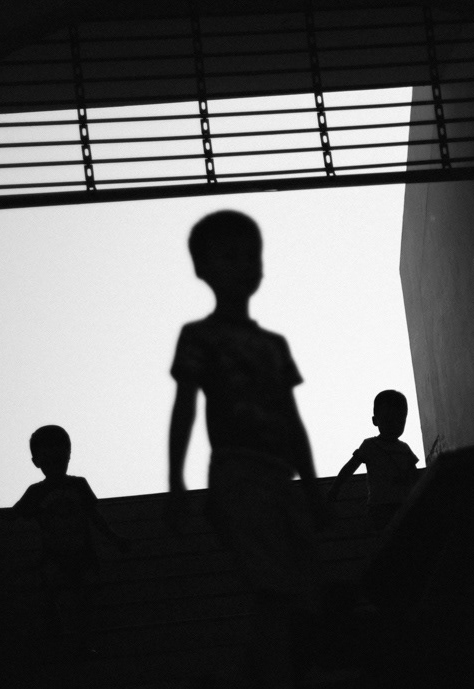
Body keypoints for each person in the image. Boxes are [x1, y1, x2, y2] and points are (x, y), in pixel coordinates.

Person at [165, 210, 327, 688]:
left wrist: (312, 486)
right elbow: (185, 406)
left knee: (301, 589)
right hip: (237, 472)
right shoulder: (199, 336)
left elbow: (292, 419)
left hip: (281, 478)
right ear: (202, 268)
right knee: (271, 586)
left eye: (252, 255)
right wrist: (176, 481)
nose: (245, 266)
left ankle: (267, 671)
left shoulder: (273, 345)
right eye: (229, 255)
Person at [0, 424, 130, 656]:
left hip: (82, 556)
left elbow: (95, 517)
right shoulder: (37, 492)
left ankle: (78, 642)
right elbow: (14, 514)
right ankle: (62, 635)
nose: (56, 465)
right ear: (37, 462)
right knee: (60, 595)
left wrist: (115, 538)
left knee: (83, 598)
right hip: (55, 558)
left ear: (68, 456)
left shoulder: (78, 485)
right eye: (50, 460)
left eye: (60, 459)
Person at [326, 390, 420, 531]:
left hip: (400, 504)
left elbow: (414, 475)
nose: (394, 424)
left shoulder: (403, 448)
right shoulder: (371, 446)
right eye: (389, 420)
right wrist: (335, 488)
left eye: (400, 421)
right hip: (380, 506)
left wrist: (335, 488)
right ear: (375, 421)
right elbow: (350, 468)